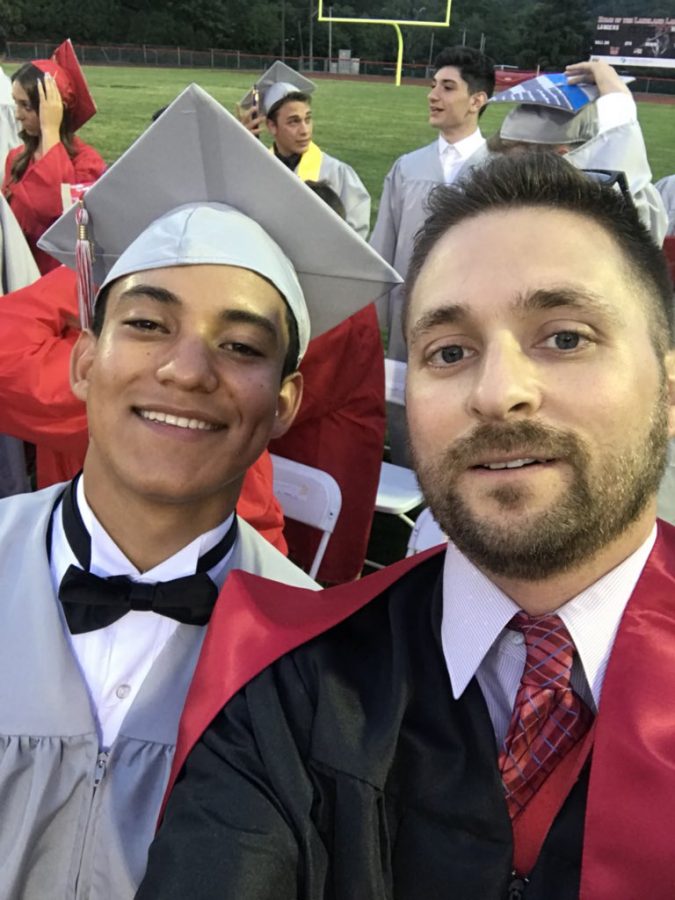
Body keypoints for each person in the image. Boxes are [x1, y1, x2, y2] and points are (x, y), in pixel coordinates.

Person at [138, 152, 675, 900]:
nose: (498, 393)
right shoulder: (287, 677)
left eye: (564, 337)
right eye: (448, 352)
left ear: (668, 387)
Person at [0, 84, 398, 900]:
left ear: (283, 402)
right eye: (146, 324)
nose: (186, 370)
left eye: (242, 345)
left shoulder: (317, 654)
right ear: (84, 361)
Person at [370, 45, 495, 462]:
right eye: (432, 85)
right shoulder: (408, 168)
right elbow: (383, 247)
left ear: (477, 100)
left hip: (479, 319)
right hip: (413, 320)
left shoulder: (499, 169)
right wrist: (374, 321)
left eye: (447, 87)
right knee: (408, 407)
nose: (433, 95)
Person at [271, 180, 385, 582]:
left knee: (310, 575)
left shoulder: (342, 302)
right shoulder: (319, 285)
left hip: (324, 450)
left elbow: (292, 387)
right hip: (303, 439)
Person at [492, 60, 668, 245]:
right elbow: (624, 175)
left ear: (562, 155)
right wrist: (617, 93)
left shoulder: (499, 205)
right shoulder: (593, 209)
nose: (510, 170)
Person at [1, 39, 106, 274]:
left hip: (57, 279)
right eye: (15, 103)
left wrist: (50, 130)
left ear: (52, 108)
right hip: (19, 272)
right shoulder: (17, 157)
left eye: (25, 106)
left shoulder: (87, 163)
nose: (17, 115)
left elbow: (52, 207)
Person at [238, 60, 371, 238]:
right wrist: (242, 147)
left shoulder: (337, 174)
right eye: (294, 122)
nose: (304, 130)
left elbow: (356, 237)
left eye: (307, 119)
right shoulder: (259, 171)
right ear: (271, 126)